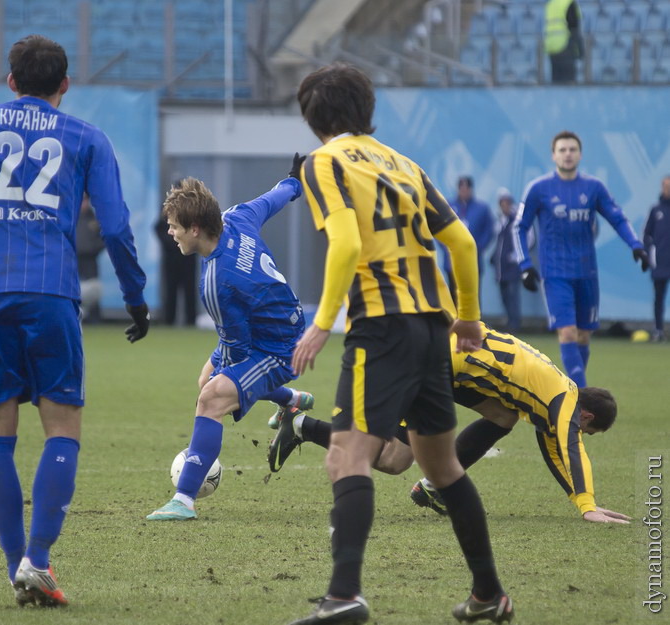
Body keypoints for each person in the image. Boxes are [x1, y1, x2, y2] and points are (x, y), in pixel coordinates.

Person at [0, 35, 149, 608]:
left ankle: (13, 565)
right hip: (53, 293)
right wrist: (136, 297)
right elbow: (116, 228)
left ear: (11, 81)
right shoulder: (87, 137)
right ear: (65, 85)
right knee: (62, 429)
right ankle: (38, 561)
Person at [289, 62, 512, 625]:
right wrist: (469, 319)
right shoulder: (403, 163)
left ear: (313, 119)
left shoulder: (324, 161)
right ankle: (489, 596)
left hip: (381, 326)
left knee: (346, 457)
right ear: (367, 110)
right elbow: (460, 242)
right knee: (442, 468)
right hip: (432, 327)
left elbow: (343, 246)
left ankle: (344, 596)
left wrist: (321, 322)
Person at [269, 323, 631, 525]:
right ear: (587, 416)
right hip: (429, 365)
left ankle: (434, 486)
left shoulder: (557, 395)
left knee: (503, 416)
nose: (581, 433)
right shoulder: (564, 403)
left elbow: (555, 450)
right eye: (588, 430)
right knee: (393, 460)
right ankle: (301, 425)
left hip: (450, 367)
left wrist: (582, 500)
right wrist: (588, 508)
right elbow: (570, 447)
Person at [146, 169, 314, 522]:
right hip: (270, 327)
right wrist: (293, 182)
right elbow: (270, 201)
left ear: (194, 229)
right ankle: (290, 400)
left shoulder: (217, 283)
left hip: (281, 346)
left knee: (212, 396)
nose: (170, 232)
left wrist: (221, 382)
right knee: (206, 382)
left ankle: (184, 500)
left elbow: (239, 354)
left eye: (174, 225)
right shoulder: (234, 218)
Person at [514, 130, 648, 388]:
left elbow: (617, 217)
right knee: (567, 332)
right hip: (555, 273)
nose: (567, 154)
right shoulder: (539, 188)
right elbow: (519, 226)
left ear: (580, 154)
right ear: (553, 155)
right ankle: (581, 396)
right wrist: (525, 266)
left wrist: (636, 245)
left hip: (587, 273)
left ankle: (574, 389)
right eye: (562, 150)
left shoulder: (594, 187)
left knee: (584, 335)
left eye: (572, 149)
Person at [444, 176, 494, 303]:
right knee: (454, 296)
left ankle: (474, 323)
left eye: (467, 188)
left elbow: (489, 231)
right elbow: (439, 229)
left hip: (473, 261)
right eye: (461, 188)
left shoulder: (482, 208)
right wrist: (447, 246)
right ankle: (454, 322)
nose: (464, 191)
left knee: (473, 297)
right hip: (453, 261)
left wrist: (478, 247)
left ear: (471, 189)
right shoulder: (448, 207)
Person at [154, 180, 197, 325]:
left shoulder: (192, 207)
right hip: (171, 256)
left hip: (189, 255)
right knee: (170, 288)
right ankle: (169, 320)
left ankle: (191, 320)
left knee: (189, 288)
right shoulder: (166, 207)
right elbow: (158, 228)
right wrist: (171, 242)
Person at [490, 188, 528, 332]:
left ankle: (515, 324)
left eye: (507, 202)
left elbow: (530, 239)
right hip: (501, 268)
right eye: (502, 203)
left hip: (512, 267)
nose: (504, 205)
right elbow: (498, 242)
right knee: (505, 296)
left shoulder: (517, 220)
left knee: (513, 296)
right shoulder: (500, 221)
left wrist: (517, 254)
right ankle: (510, 322)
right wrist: (494, 257)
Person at [643, 176, 670, 342]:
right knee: (658, 298)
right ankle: (658, 330)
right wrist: (649, 254)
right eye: (665, 186)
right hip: (661, 262)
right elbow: (647, 235)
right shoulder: (656, 210)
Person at [76, 194, 105, 322]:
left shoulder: (94, 219)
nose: (84, 204)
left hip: (90, 260)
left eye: (85, 201)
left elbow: (103, 238)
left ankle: (94, 319)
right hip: (72, 260)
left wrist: (92, 249)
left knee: (93, 290)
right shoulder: (70, 217)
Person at [544, 0, 584, 84]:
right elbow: (574, 28)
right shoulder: (569, 3)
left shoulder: (551, 3)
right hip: (565, 46)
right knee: (568, 82)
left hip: (551, 46)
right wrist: (580, 50)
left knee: (556, 82)